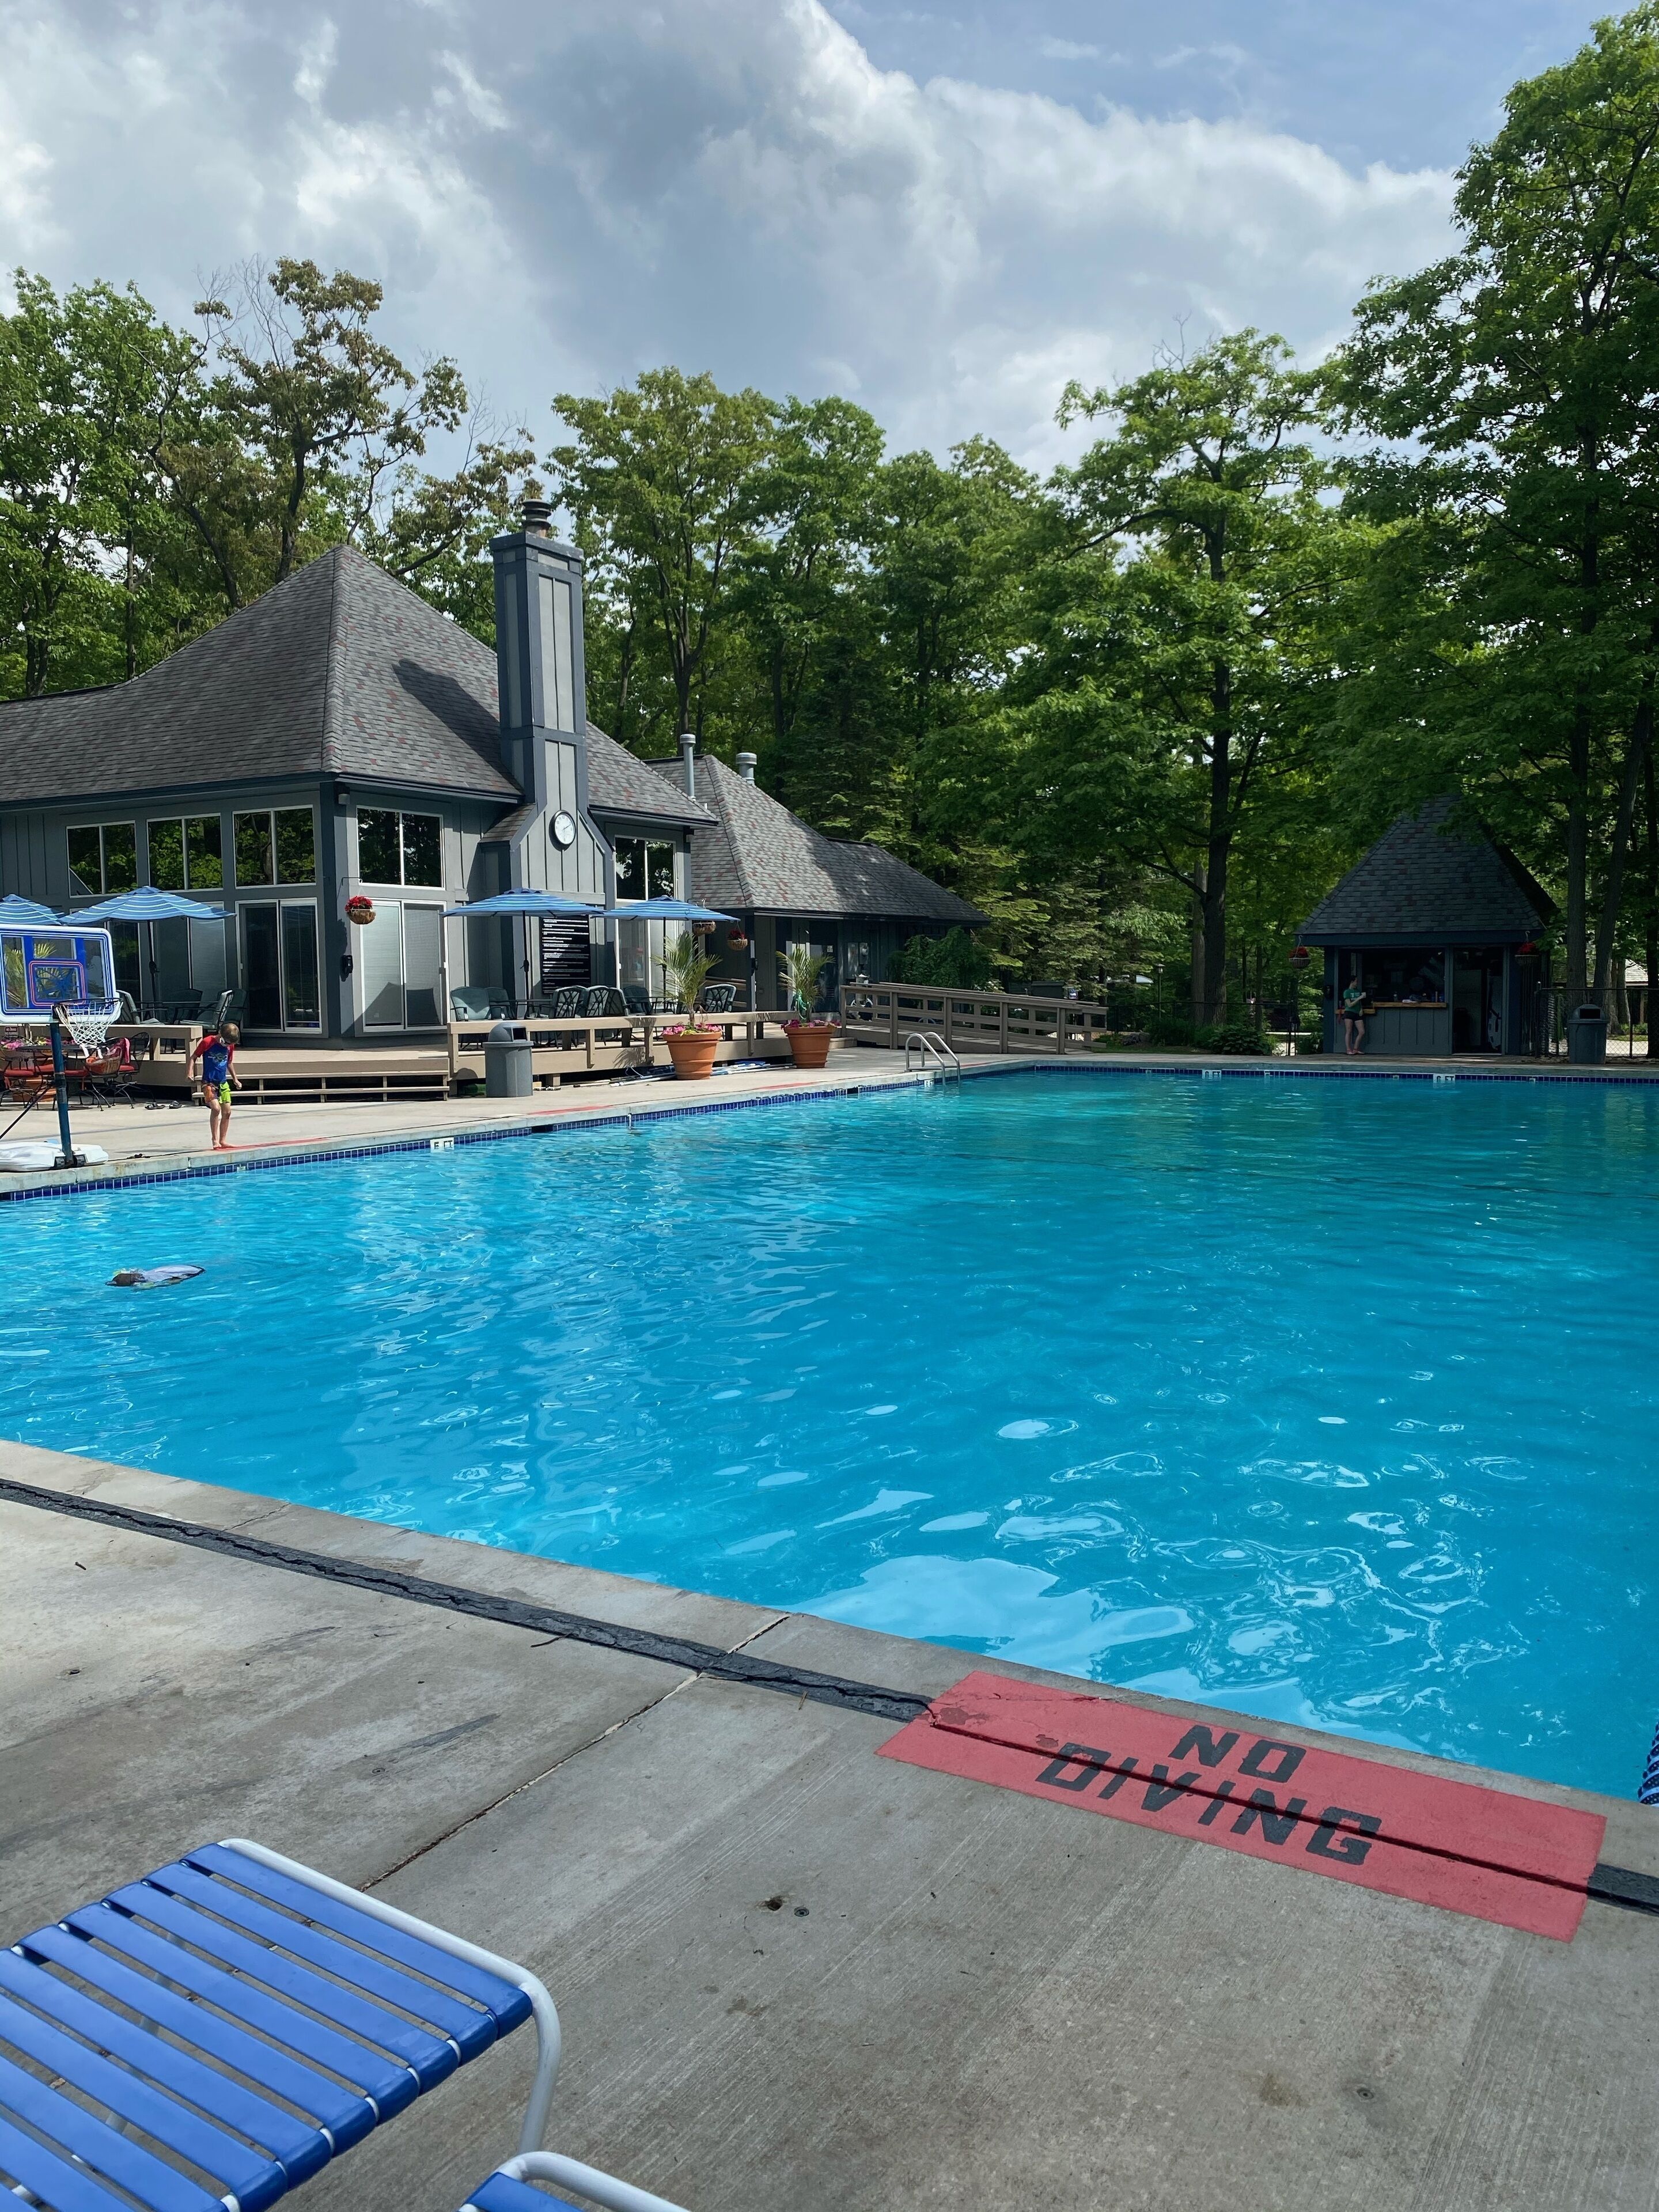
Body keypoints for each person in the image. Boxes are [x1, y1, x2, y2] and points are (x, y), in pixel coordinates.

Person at [187, 1021, 241, 1149]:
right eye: (227, 1043)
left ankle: (223, 1140)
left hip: (223, 1082)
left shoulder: (230, 1046)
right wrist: (189, 1073)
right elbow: (194, 1057)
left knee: (227, 1112)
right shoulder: (208, 1042)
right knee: (216, 1109)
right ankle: (215, 1140)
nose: (228, 1046)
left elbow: (229, 1062)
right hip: (208, 1082)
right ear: (220, 1035)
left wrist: (235, 1079)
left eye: (231, 1044)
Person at [1340, 976, 1368, 1056]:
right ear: (1352, 982)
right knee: (1349, 1031)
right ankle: (1349, 1050)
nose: (1357, 983)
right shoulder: (1347, 992)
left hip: (1357, 1013)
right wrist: (1359, 998)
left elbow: (1360, 1003)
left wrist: (1361, 1009)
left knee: (1362, 1031)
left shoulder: (1358, 991)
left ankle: (1356, 1049)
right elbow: (1349, 1005)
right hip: (1349, 1012)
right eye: (1356, 981)